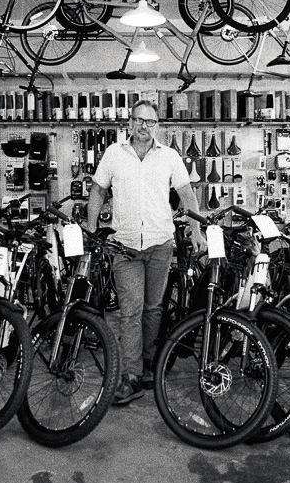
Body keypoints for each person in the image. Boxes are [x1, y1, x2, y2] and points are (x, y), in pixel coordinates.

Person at [88, 100, 207, 406]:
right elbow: (99, 190)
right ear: (130, 122)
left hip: (160, 244)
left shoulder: (169, 156)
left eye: (149, 121)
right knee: (129, 311)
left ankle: (148, 365)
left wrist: (196, 231)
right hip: (124, 245)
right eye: (138, 120)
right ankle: (130, 377)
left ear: (157, 126)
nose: (143, 126)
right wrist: (91, 231)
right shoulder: (114, 153)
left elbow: (186, 194)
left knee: (153, 309)